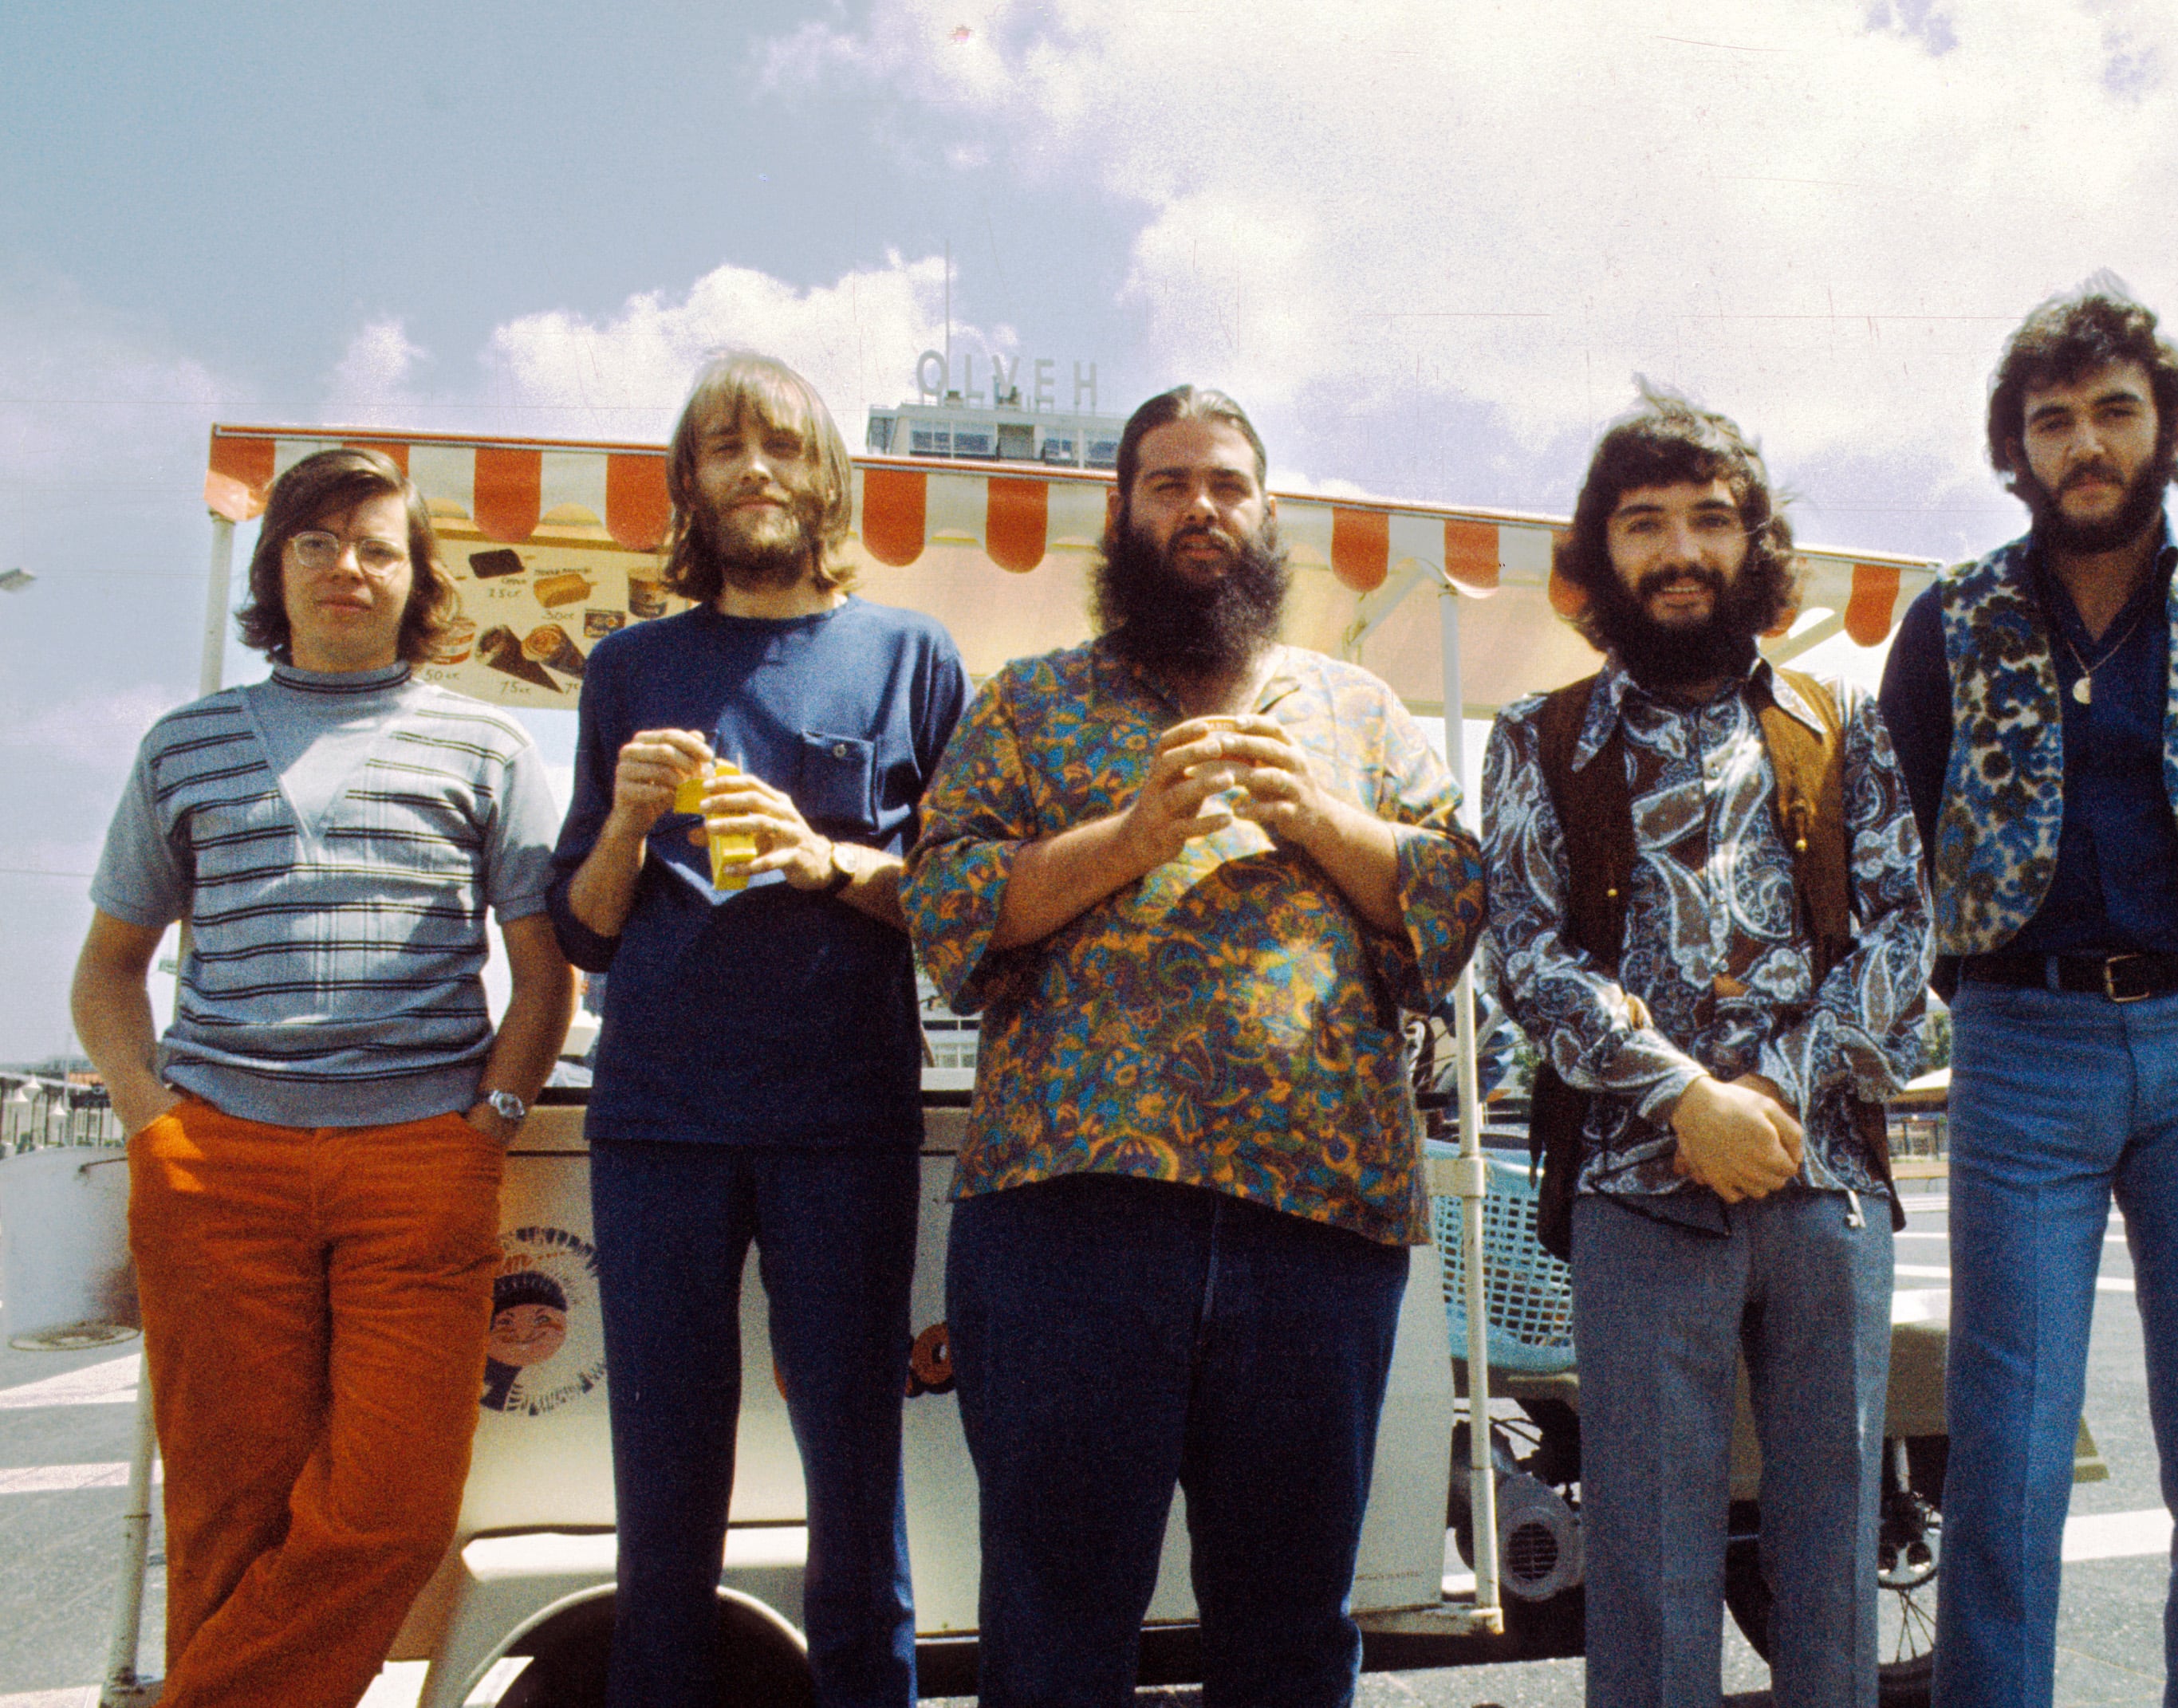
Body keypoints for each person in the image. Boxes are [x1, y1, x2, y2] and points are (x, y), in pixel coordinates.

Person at [901, 384, 1485, 1707]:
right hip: (1066, 1230)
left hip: (1311, 1233)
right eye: (1165, 484)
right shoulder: (1027, 705)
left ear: (1267, 512)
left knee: (1287, 1633)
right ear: (1120, 513)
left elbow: (1456, 906)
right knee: (1055, 1624)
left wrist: (1323, 819)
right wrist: (1129, 835)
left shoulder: (1360, 713)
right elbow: (940, 913)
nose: (1197, 509)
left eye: (1223, 483)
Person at [1877, 276, 2178, 1708]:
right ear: (2013, 450)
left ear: (2171, 429)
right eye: (2051, 421)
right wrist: (1978, 983)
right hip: (2021, 1043)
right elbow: (1900, 830)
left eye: (2113, 414)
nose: (2083, 444)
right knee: (2004, 1445)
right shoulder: (1946, 622)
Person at [69, 447, 573, 1708]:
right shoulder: (183, 747)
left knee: (397, 1508)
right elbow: (108, 971)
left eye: (377, 546)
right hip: (217, 1163)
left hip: (421, 1164)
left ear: (417, 582)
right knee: (228, 1520)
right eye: (315, 542)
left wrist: (487, 1127)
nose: (346, 565)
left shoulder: (489, 744)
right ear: (276, 570)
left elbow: (546, 973)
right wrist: (155, 1129)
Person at [1483, 386, 1932, 1708]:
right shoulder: (1539, 735)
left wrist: (1768, 1097)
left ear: (1754, 545)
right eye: (1642, 524)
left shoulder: (1839, 726)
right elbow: (1522, 950)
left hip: (1827, 1189)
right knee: (1649, 1565)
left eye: (1708, 520)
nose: (1677, 549)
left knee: (1831, 1558)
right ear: (1600, 553)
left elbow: (1907, 938)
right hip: (1634, 1194)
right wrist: (1682, 1097)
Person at [548, 352, 967, 1708]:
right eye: (723, 447)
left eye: (781, 444)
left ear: (827, 476)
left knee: (856, 1484)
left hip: (841, 1123)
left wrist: (823, 859)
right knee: (662, 1492)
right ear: (689, 485)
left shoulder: (910, 656)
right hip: (657, 1122)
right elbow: (584, 930)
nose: (754, 468)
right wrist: (622, 820)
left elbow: (961, 913)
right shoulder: (627, 666)